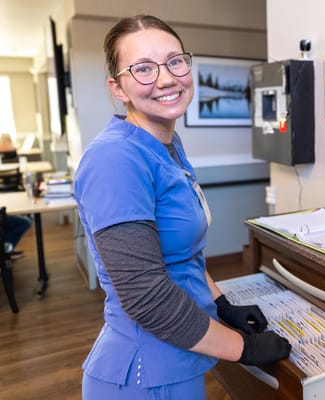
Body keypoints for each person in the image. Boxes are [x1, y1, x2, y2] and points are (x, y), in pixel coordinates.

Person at [74, 15, 291, 400]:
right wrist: (245, 348)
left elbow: (183, 253)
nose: (166, 78)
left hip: (182, 350)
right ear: (117, 87)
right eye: (143, 68)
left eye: (175, 61)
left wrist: (222, 305)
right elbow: (146, 297)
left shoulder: (168, 146)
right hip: (144, 373)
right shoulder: (115, 159)